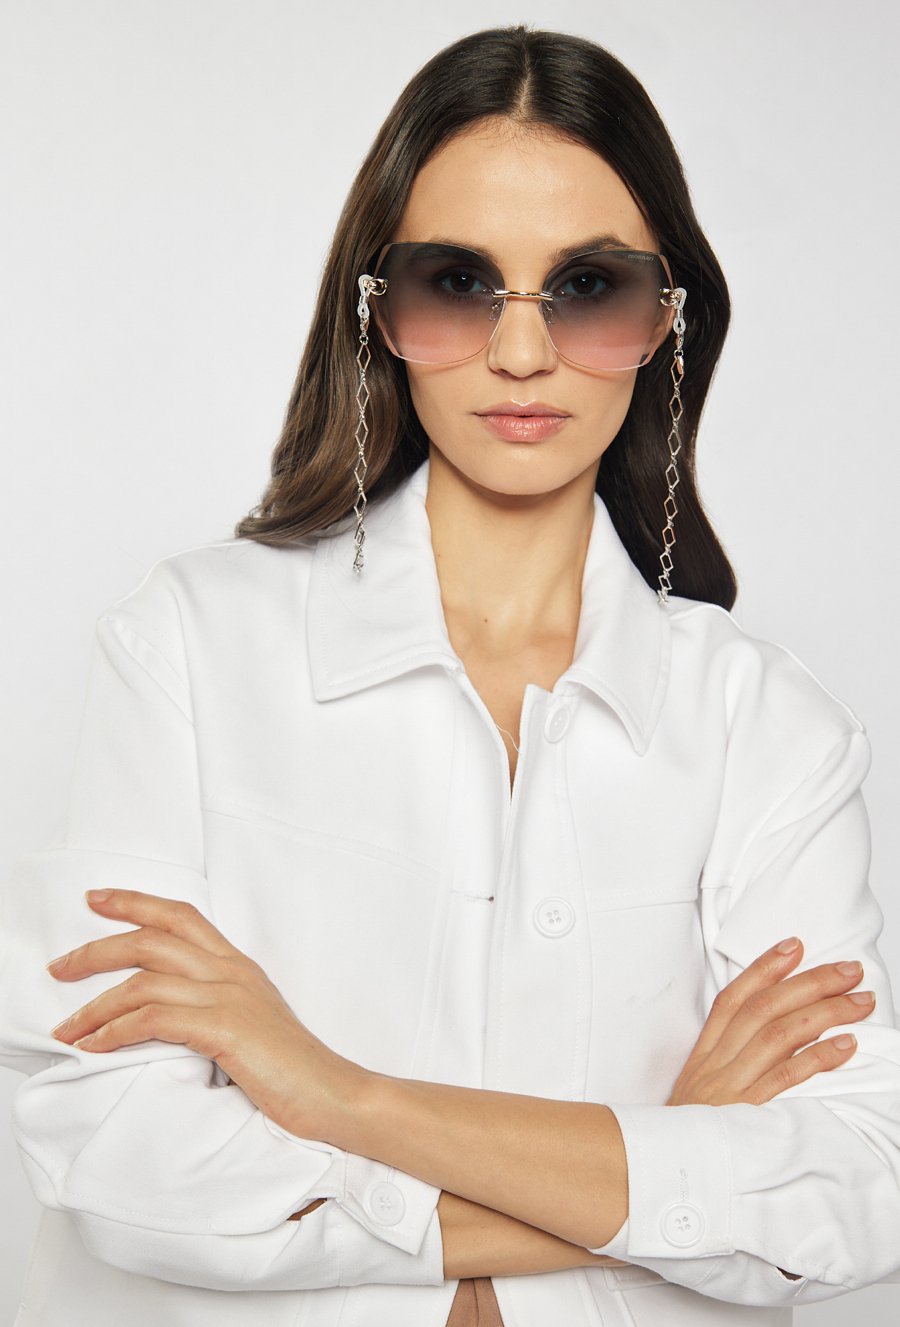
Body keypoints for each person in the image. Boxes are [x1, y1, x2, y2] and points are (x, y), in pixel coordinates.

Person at [2, 22, 899, 1327]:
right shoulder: (188, 647)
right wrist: (660, 1161)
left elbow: (859, 1191)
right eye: (459, 283)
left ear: (667, 319)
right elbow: (114, 1159)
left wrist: (333, 1092)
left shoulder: (770, 729)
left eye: (587, 286)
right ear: (380, 310)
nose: (522, 355)